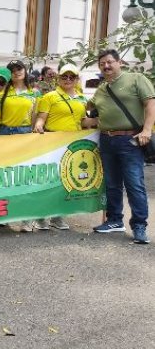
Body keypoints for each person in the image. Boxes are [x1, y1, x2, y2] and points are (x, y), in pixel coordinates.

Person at [89, 49, 155, 244]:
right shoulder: (102, 88)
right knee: (112, 184)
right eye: (102, 64)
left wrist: (147, 130)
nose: (106, 66)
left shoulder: (136, 79)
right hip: (107, 140)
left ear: (120, 62)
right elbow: (93, 109)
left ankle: (139, 226)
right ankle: (115, 220)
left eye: (110, 62)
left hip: (130, 140)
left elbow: (150, 105)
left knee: (134, 184)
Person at [33, 63, 97, 231]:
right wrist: (39, 125)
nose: (68, 80)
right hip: (52, 142)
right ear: (58, 79)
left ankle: (58, 217)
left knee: (64, 181)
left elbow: (83, 121)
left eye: (72, 77)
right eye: (64, 77)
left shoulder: (82, 98)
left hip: (72, 145)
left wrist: (100, 122)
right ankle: (40, 217)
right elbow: (41, 117)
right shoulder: (50, 96)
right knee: (47, 181)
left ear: (77, 79)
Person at [0, 59, 40, 232]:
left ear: (25, 69)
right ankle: (3, 214)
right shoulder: (2, 92)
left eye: (19, 68)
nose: (17, 72)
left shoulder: (34, 93)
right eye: (13, 70)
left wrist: (34, 133)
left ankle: (26, 218)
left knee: (24, 176)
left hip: (24, 133)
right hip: (3, 133)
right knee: (3, 176)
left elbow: (35, 116)